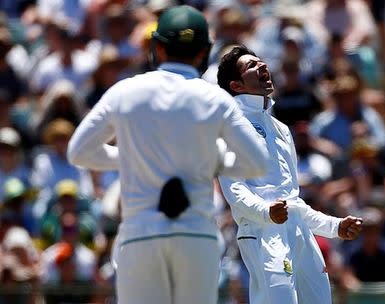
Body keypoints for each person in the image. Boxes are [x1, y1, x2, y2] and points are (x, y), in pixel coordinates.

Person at [67, 6, 268, 304]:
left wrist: (130, 156)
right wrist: (213, 159)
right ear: (204, 52)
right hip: (196, 235)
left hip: (140, 234)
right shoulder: (214, 97)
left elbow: (79, 152)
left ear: (158, 47)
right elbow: (257, 162)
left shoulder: (125, 91)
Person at [216, 45, 363, 304]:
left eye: (261, 62)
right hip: (262, 233)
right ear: (236, 86)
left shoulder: (282, 129)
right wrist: (266, 212)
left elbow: (294, 203)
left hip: (299, 234)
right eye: (251, 66)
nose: (262, 66)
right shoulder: (230, 126)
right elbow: (234, 190)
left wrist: (335, 226)